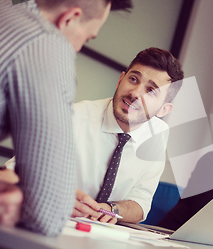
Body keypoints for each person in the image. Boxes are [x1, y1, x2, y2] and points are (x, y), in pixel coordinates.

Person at [0, 0, 132, 235]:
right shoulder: (44, 41)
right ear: (69, 19)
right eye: (87, 38)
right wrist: (45, 194)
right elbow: (47, 214)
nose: (79, 49)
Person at [7, 48, 184, 224]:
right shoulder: (71, 118)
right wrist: (52, 196)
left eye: (151, 91)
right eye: (133, 79)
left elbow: (141, 203)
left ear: (163, 109)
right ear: (120, 79)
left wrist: (110, 209)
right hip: (47, 222)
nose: (135, 93)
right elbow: (12, 174)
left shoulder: (157, 134)